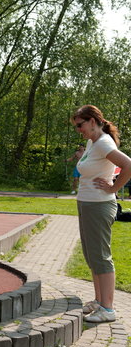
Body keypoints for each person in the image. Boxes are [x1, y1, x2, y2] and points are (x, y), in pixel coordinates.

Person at [71, 105, 131, 323]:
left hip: (99, 205)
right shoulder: (92, 142)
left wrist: (113, 188)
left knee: (101, 257)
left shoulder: (104, 142)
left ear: (93, 121)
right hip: (87, 203)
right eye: (76, 126)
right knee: (92, 255)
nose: (78, 129)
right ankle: (99, 301)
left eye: (80, 125)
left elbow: (128, 165)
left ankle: (108, 309)